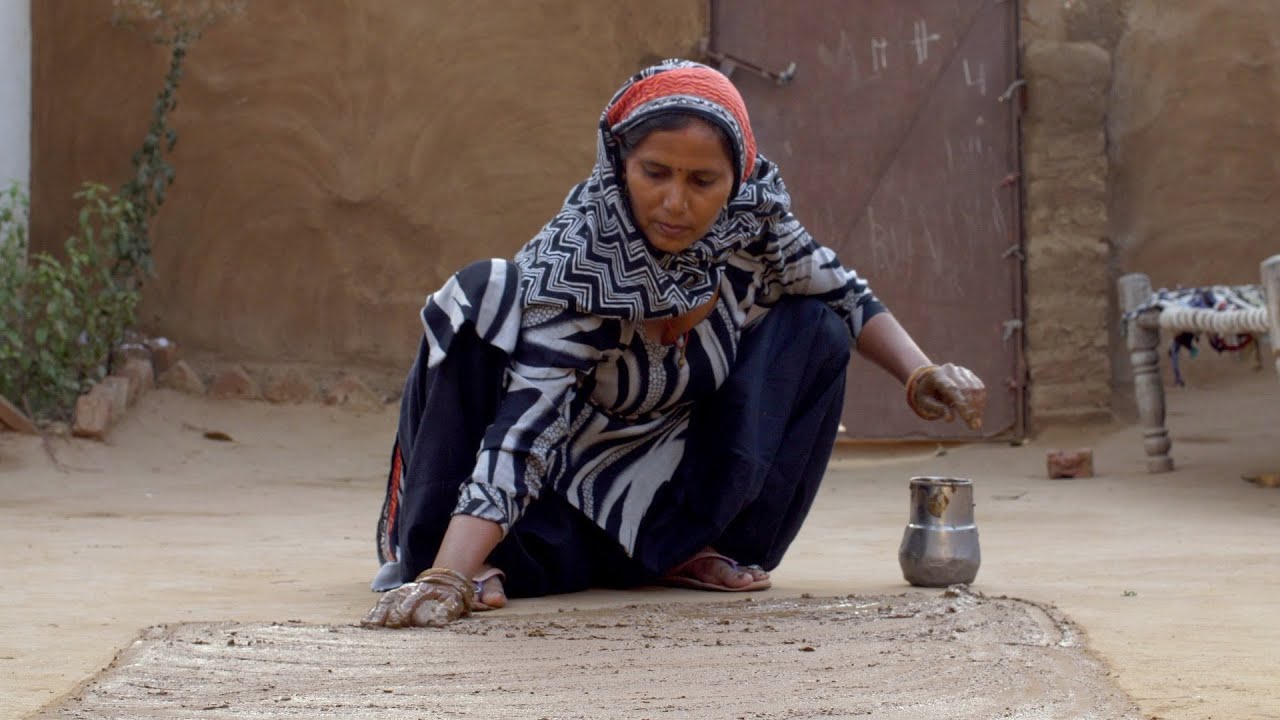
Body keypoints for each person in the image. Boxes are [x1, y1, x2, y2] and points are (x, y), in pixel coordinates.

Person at [362, 60, 986, 629]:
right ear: (619, 164)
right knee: (484, 290)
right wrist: (448, 572)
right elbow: (526, 432)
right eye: (654, 173)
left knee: (815, 326)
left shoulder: (755, 222)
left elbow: (844, 292)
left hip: (655, 494)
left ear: (735, 178)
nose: (675, 203)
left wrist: (921, 372)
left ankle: (693, 546)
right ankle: (456, 559)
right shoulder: (578, 266)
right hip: (545, 506)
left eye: (702, 180)